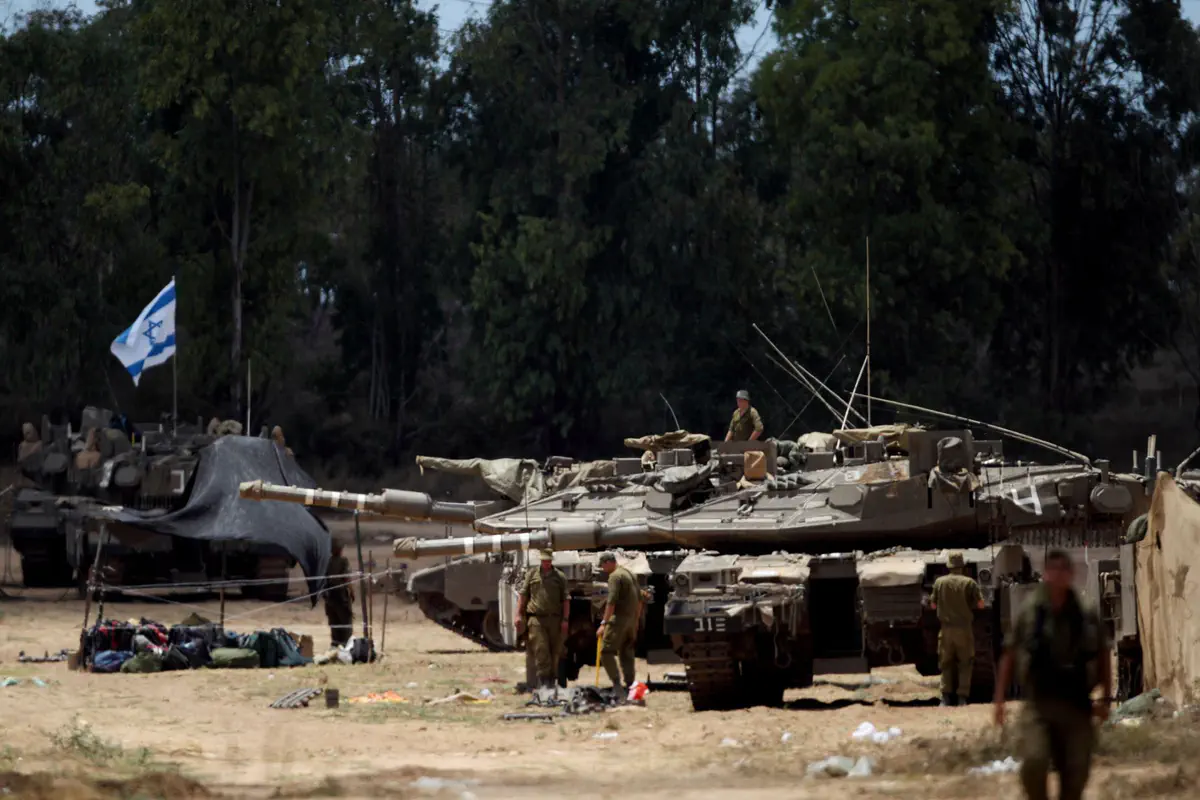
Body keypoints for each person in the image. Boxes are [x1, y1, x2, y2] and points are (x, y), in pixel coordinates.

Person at [994, 550, 1112, 800]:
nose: (1058, 576)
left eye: (1063, 570)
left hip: (1077, 704)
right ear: (1045, 574)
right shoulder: (1031, 611)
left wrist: (1106, 698)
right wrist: (999, 700)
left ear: (1070, 575)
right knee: (1034, 763)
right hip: (1040, 704)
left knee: (1076, 773)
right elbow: (1010, 653)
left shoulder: (1085, 612)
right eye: (1053, 570)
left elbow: (1103, 654)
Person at [929, 551, 984, 706]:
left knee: (945, 662)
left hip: (946, 630)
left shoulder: (939, 582)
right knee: (965, 662)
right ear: (962, 566)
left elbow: (933, 605)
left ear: (949, 565)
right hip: (964, 629)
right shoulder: (969, 582)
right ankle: (962, 698)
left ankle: (945, 697)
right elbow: (981, 605)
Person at [516, 549, 570, 689]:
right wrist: (518, 614)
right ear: (540, 560)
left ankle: (552, 682)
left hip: (555, 620)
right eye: (544, 560)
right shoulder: (532, 574)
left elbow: (566, 599)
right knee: (541, 651)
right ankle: (544, 683)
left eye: (548, 560)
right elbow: (523, 595)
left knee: (555, 651)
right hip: (536, 620)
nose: (546, 563)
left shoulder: (559, 576)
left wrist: (565, 620)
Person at [597, 552, 644, 692]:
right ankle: (630, 685)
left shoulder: (615, 576)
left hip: (618, 620)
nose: (603, 569)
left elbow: (611, 602)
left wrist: (603, 623)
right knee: (626, 652)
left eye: (603, 566)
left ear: (608, 562)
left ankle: (617, 685)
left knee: (605, 651)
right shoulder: (629, 574)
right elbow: (640, 599)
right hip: (630, 620)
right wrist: (636, 620)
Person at [324, 541, 355, 648]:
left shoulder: (327, 561)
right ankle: (346, 644)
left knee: (334, 621)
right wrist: (352, 591)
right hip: (341, 595)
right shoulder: (343, 561)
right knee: (345, 620)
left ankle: (335, 643)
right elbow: (346, 577)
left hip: (330, 596)